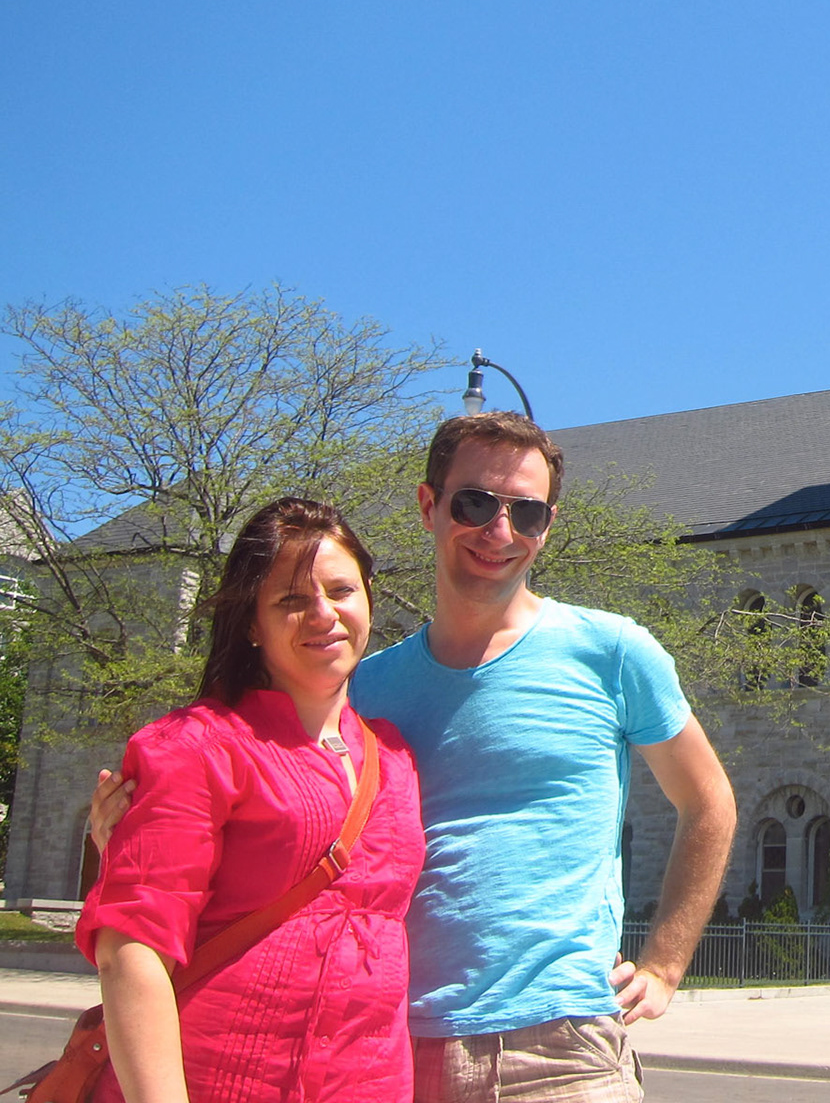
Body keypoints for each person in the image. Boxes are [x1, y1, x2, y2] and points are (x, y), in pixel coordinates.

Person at [97, 412, 736, 1101]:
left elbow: (709, 802)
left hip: (558, 1047)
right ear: (429, 504)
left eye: (526, 512)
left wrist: (665, 965)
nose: (500, 531)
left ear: (548, 524)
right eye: (476, 503)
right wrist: (133, 840)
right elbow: (279, 835)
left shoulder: (612, 651)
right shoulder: (361, 691)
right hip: (384, 1052)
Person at [76, 497, 424, 1103]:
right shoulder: (195, 746)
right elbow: (131, 947)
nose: (324, 614)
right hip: (218, 1077)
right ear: (249, 624)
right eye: (291, 600)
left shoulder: (395, 757)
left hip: (369, 1081)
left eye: (342, 590)